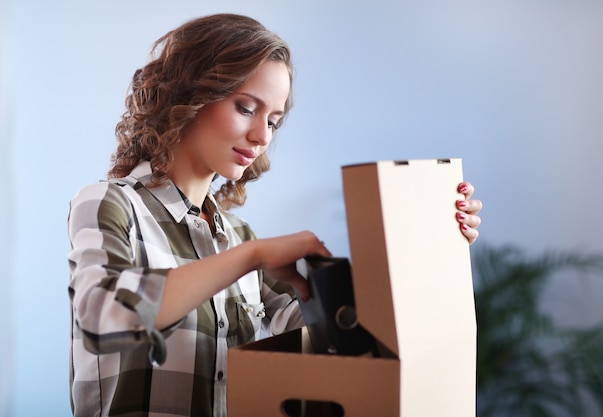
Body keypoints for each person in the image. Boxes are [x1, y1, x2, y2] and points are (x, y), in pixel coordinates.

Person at [67, 13, 482, 417]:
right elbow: (102, 317)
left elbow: (347, 343)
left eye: (274, 121)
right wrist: (249, 258)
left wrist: (436, 241)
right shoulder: (110, 204)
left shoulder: (240, 238)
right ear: (188, 95)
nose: (262, 136)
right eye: (246, 107)